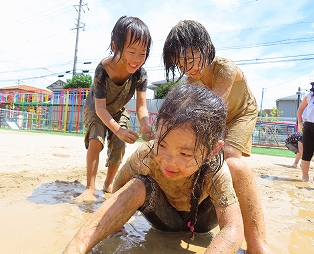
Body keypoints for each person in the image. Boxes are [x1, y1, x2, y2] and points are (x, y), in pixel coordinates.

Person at [64, 84, 244, 254]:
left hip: (202, 222)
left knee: (240, 169)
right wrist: (115, 224)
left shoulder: (215, 168)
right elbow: (121, 183)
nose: (168, 162)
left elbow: (232, 228)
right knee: (137, 184)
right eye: (162, 144)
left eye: (185, 154)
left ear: (213, 150)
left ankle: (258, 243)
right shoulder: (147, 155)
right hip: (164, 221)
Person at [162, 20, 272, 253]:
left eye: (190, 60)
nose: (187, 68)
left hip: (241, 113)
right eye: (180, 64)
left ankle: (254, 239)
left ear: (205, 48)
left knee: (229, 158)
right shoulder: (193, 80)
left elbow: (215, 111)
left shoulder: (224, 68)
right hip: (217, 116)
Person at [74, 16, 153, 202]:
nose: (136, 59)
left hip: (118, 110)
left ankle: (109, 183)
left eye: (142, 54)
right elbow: (100, 107)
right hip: (96, 108)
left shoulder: (140, 74)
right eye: (132, 51)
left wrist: (145, 126)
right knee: (96, 140)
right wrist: (118, 130)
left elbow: (141, 106)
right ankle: (90, 188)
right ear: (116, 46)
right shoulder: (103, 69)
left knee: (119, 143)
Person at [297, 81, 314, 182]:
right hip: (309, 127)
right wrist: (300, 122)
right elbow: (300, 110)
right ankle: (305, 176)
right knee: (307, 153)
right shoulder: (309, 96)